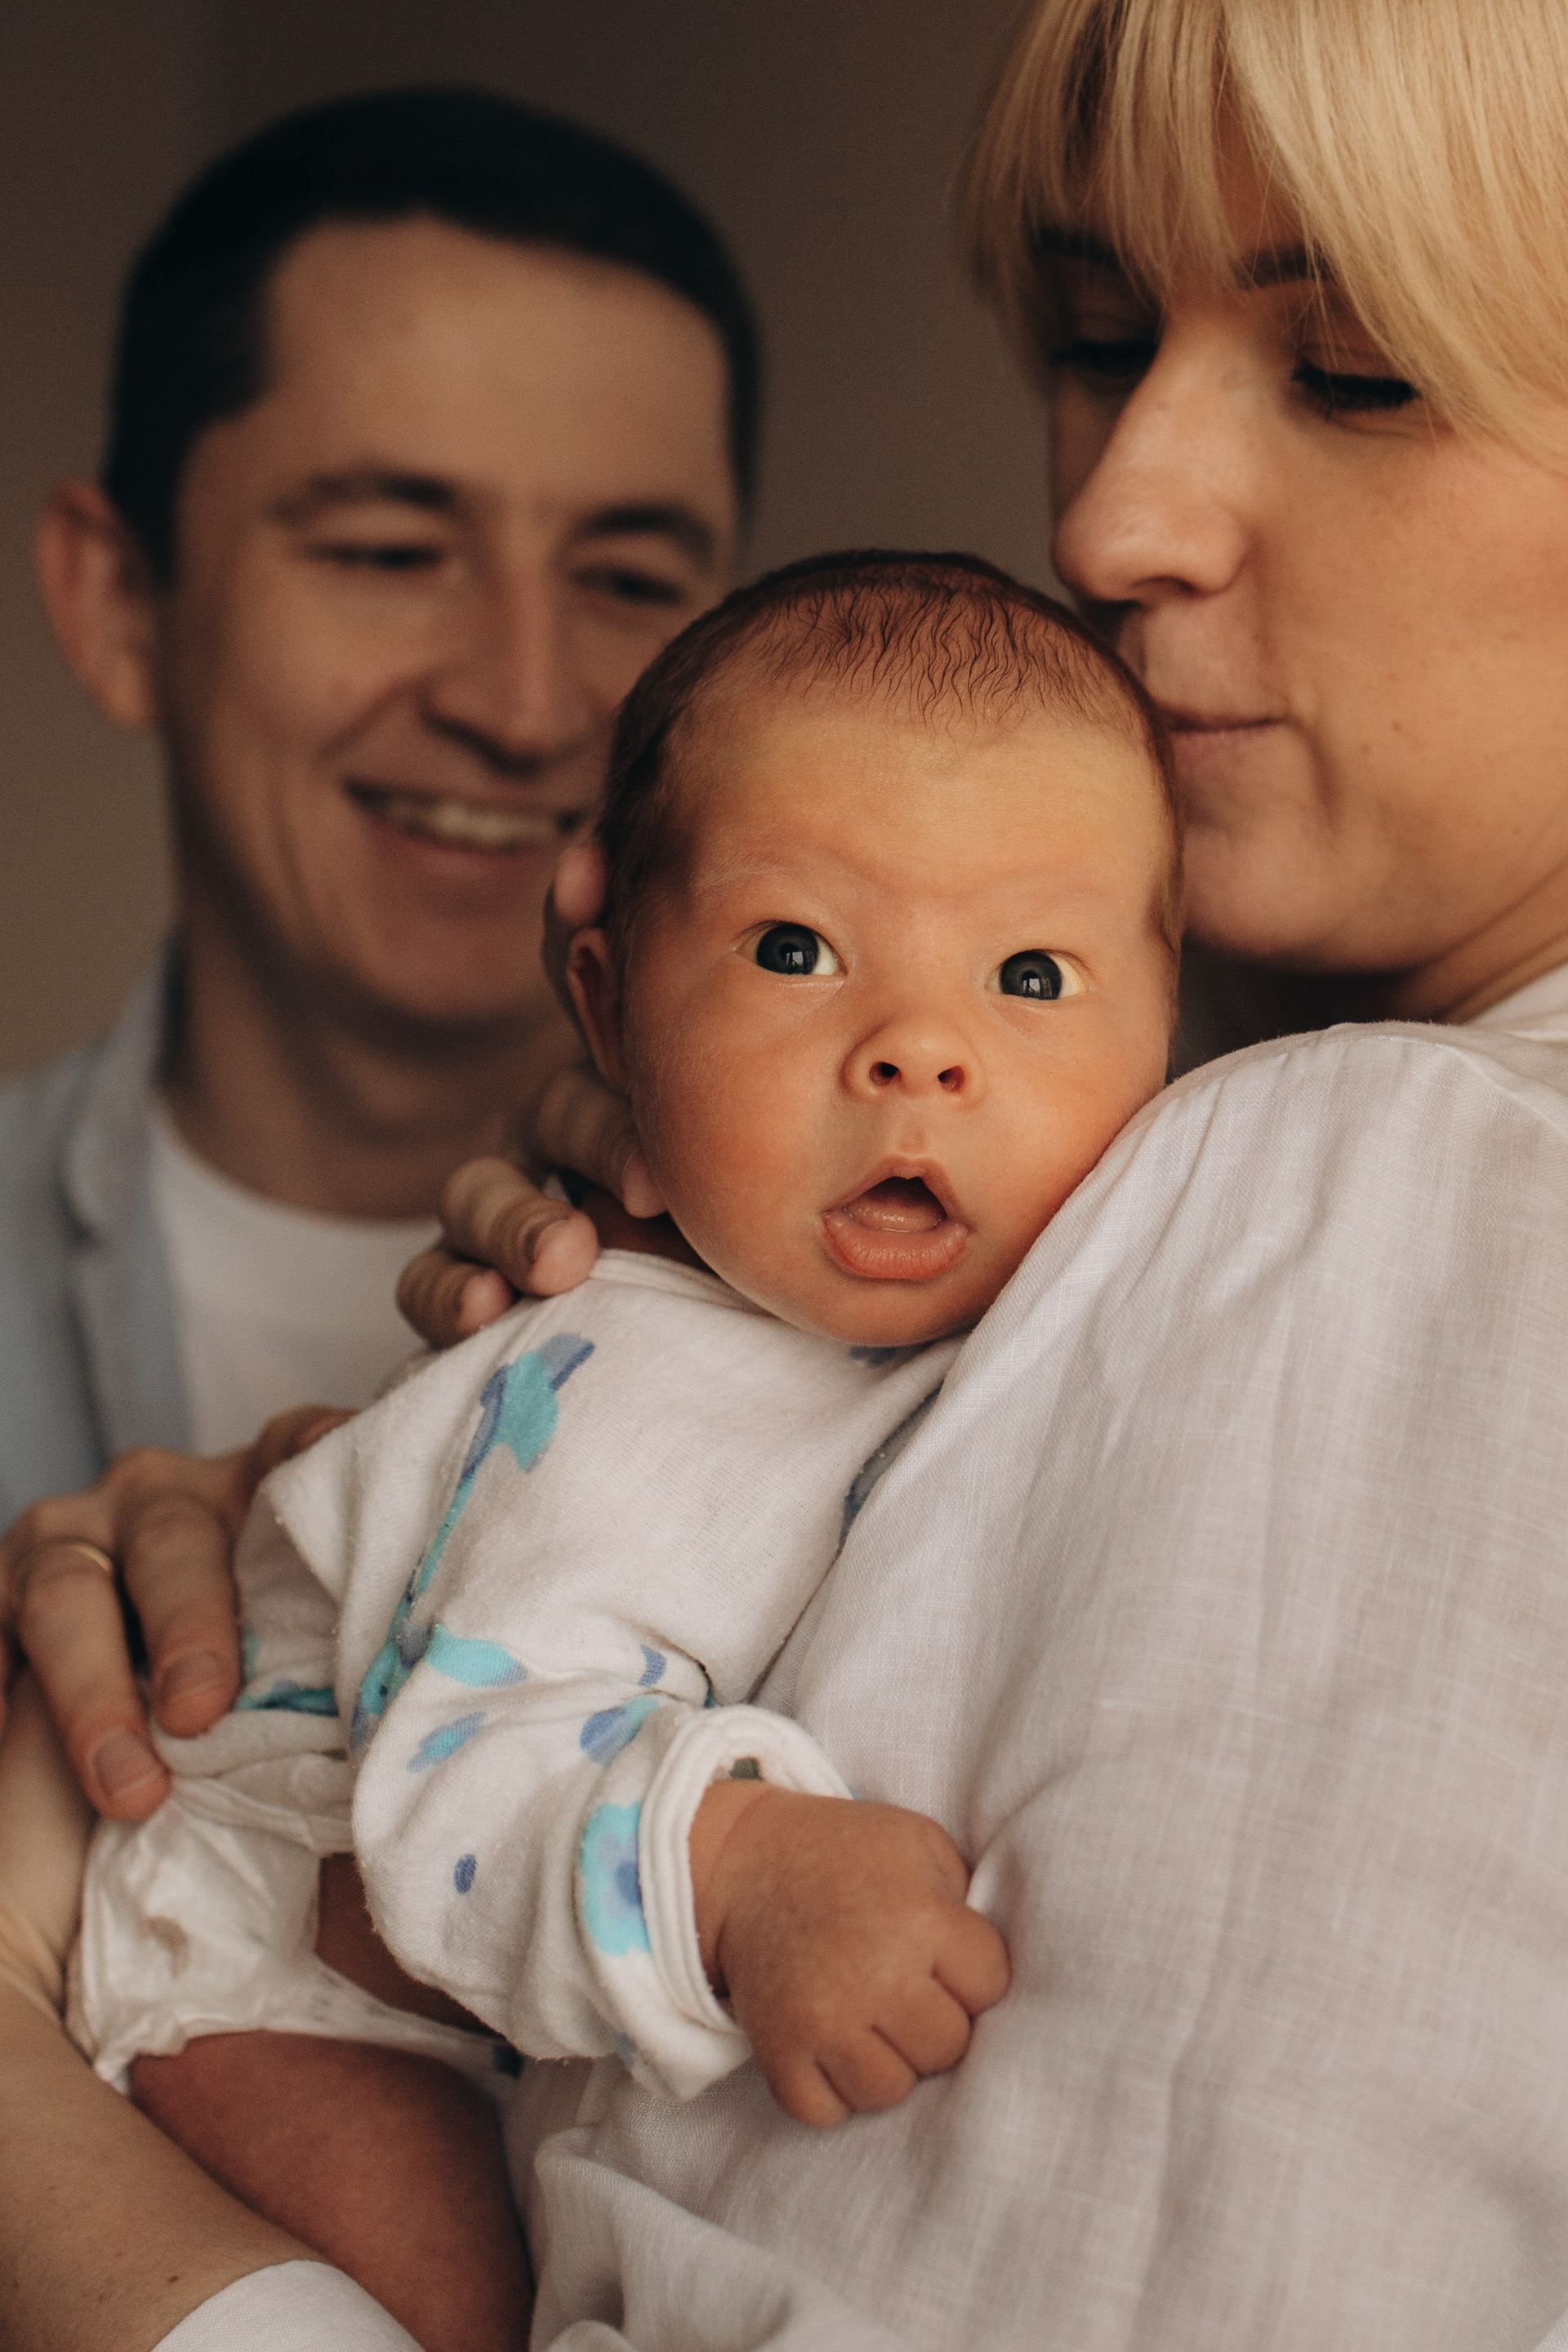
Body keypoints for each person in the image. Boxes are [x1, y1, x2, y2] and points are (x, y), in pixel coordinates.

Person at [11, 0, 1568, 2346]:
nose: (1110, 523)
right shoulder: (1092, 1190)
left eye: (1354, 373)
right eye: (1093, 338)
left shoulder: (1396, 1184)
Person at [69, 551, 1171, 2341]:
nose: (917, 1051)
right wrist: (737, 1872)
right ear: (611, 1008)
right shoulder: (634, 1386)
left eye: (1032, 973)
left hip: (476, 1995)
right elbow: (463, 1778)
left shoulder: (1041, 1327)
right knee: (459, 2321)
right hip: (290, 1962)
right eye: (797, 950)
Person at [0, 84, 754, 1815]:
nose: (523, 703)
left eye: (629, 578)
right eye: (391, 551)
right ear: (120, 607)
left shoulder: (954, 1314)